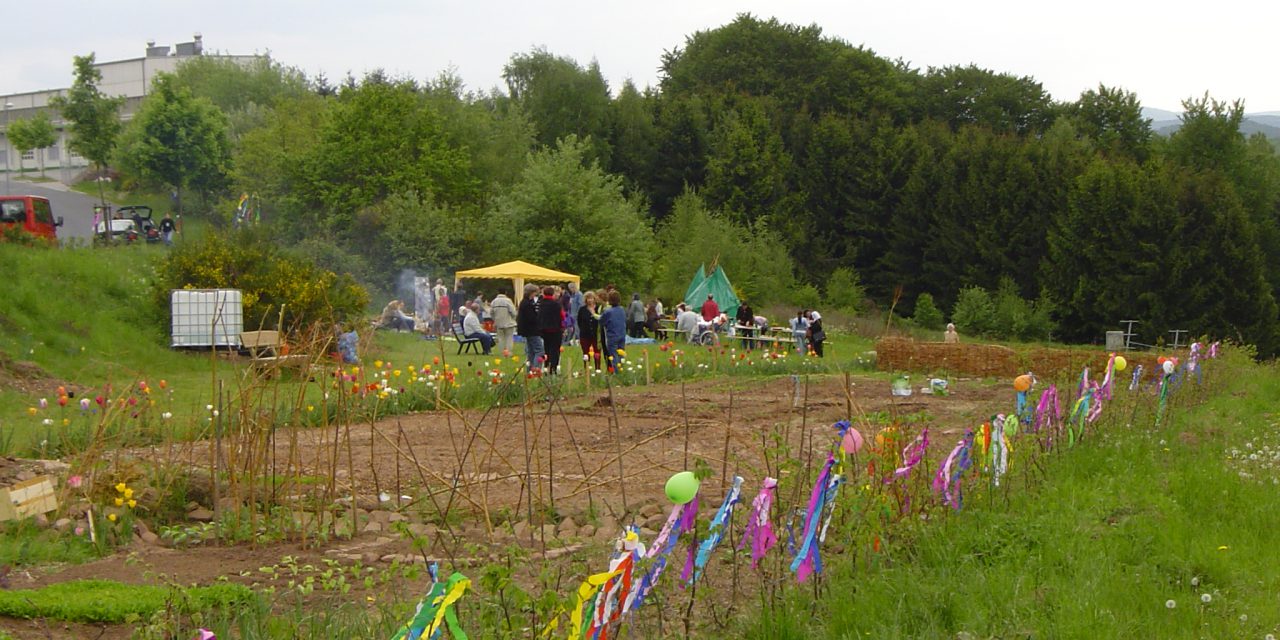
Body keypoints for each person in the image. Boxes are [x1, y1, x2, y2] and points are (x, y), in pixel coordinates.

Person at [538, 286, 565, 374]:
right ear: (552, 294)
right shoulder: (556, 304)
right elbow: (562, 316)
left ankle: (546, 365)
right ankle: (553, 367)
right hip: (555, 329)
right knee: (555, 350)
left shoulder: (541, 303)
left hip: (544, 330)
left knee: (546, 349)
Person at [517, 284, 544, 371]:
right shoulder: (527, 304)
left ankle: (530, 369)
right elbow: (531, 318)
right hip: (532, 331)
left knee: (531, 351)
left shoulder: (524, 302)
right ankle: (536, 369)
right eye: (534, 293)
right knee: (539, 350)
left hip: (527, 331)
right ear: (531, 293)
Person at [600, 290, 627, 369]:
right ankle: (621, 369)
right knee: (621, 354)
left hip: (612, 336)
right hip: (622, 335)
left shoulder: (608, 312)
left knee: (613, 355)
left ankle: (616, 371)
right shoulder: (622, 309)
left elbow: (602, 321)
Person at [578, 291, 603, 370]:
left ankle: (597, 369)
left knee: (597, 353)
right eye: (588, 298)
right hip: (585, 335)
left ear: (594, 299)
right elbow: (579, 321)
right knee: (586, 353)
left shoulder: (598, 308)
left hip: (596, 335)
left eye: (591, 298)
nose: (590, 300)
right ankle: (587, 370)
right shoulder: (582, 309)